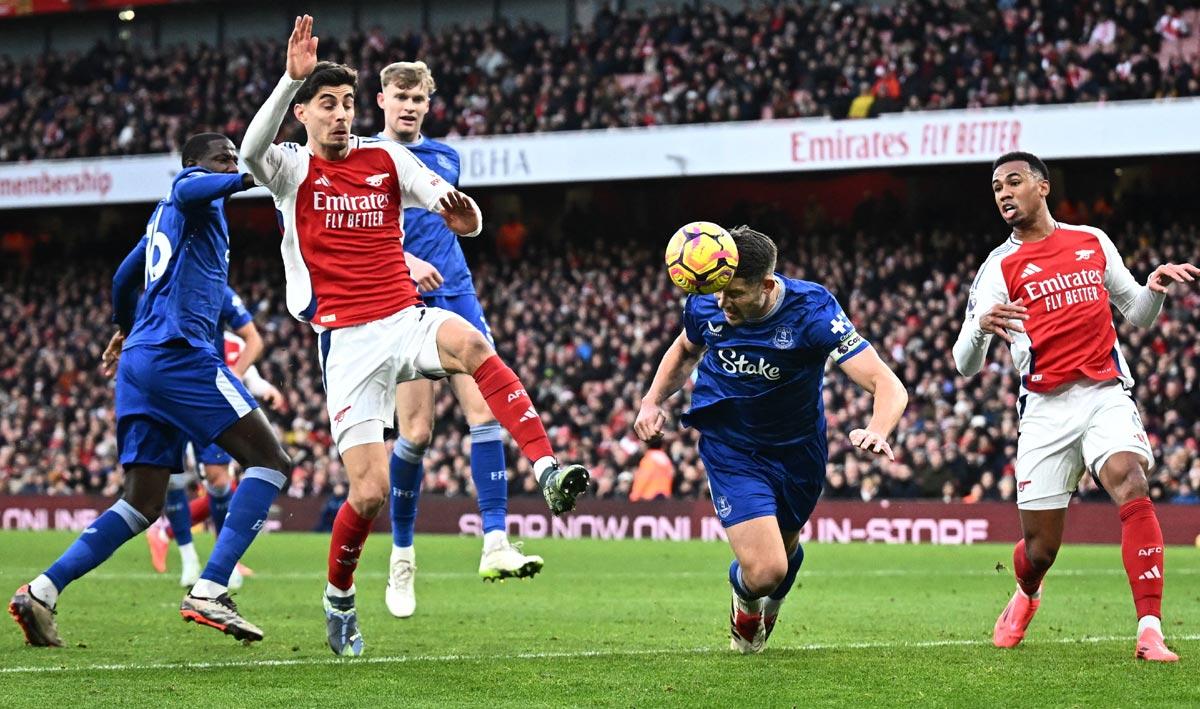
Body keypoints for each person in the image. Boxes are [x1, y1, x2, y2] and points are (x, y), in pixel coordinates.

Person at [240, 16, 589, 656]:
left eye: (347, 104)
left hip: (404, 317)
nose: (342, 115)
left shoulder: (387, 157)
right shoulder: (290, 170)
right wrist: (286, 80)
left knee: (474, 346)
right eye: (328, 105)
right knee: (368, 492)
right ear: (304, 114)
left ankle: (545, 465)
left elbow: (451, 207)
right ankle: (340, 597)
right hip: (347, 341)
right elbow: (247, 153)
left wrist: (466, 214)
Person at [8, 133, 292, 646]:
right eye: (221, 159)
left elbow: (123, 275)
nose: (230, 164)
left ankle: (43, 591)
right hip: (179, 353)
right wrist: (255, 174)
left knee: (141, 502)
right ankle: (208, 588)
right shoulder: (188, 191)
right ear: (192, 166)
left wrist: (121, 326)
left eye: (233, 157)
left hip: (141, 361)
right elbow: (191, 189)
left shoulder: (166, 218)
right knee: (271, 461)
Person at [953, 151, 1198, 662]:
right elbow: (964, 364)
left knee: (1131, 481)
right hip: (1043, 411)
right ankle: (1026, 592)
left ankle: (1149, 628)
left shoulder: (1092, 241)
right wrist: (979, 327)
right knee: (1040, 551)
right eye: (996, 186)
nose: (1003, 193)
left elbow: (1138, 314)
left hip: (1104, 393)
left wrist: (1154, 290)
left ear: (1042, 187)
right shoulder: (999, 266)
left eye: (1013, 182)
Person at [634, 225, 907, 653]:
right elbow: (686, 349)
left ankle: (772, 601)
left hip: (799, 449)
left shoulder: (812, 311)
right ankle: (746, 600)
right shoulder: (707, 296)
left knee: (786, 551)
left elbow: (886, 383)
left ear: (766, 285)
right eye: (719, 292)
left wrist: (878, 429)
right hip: (732, 446)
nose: (722, 303)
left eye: (736, 293)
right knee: (764, 570)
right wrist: (651, 400)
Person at [373, 60, 544, 618]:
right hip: (400, 296)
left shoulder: (447, 157)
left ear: (428, 103)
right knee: (417, 433)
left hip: (457, 294)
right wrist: (404, 259)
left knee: (484, 412)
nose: (409, 106)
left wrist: (470, 226)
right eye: (400, 96)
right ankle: (402, 557)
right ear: (381, 100)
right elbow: (357, 236)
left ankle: (495, 542)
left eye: (418, 98)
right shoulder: (364, 159)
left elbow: (456, 224)